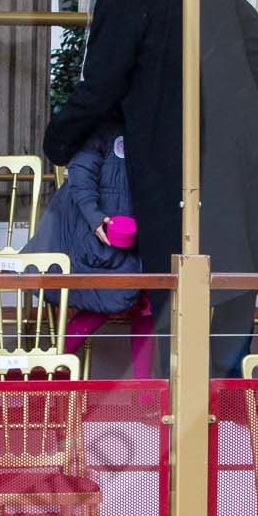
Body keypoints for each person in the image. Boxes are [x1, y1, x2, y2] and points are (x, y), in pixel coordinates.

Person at [41, 0, 258, 377]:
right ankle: (229, 413)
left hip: (168, 161)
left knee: (170, 290)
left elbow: (101, 85)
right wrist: (244, 108)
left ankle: (178, 411)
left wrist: (59, 139)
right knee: (234, 279)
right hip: (234, 156)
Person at [22, 124, 155, 377]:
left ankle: (144, 392)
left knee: (145, 305)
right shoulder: (101, 128)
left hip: (141, 232)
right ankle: (48, 372)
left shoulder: (148, 126)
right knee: (107, 301)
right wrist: (94, 217)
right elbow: (81, 175)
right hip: (104, 236)